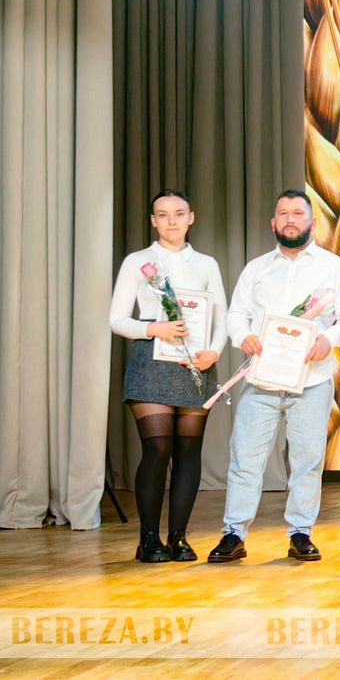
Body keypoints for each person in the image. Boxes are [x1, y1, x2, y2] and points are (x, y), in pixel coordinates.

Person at [207, 190, 340, 563]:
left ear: (312, 221)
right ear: (273, 223)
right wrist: (243, 336)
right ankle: (233, 534)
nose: (290, 219)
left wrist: (329, 339)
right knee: (245, 459)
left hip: (311, 382)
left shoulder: (334, 267)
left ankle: (300, 532)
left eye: (298, 213)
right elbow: (236, 314)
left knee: (307, 461)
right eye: (283, 213)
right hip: (261, 381)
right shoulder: (256, 269)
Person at [109, 189, 227, 563]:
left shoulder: (206, 264)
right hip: (151, 362)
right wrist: (153, 328)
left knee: (188, 452)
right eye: (163, 214)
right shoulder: (137, 262)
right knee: (158, 448)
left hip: (196, 365)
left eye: (178, 213)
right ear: (153, 221)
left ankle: (178, 538)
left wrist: (214, 352)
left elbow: (221, 319)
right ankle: (148, 539)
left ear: (191, 218)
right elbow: (116, 319)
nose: (171, 220)